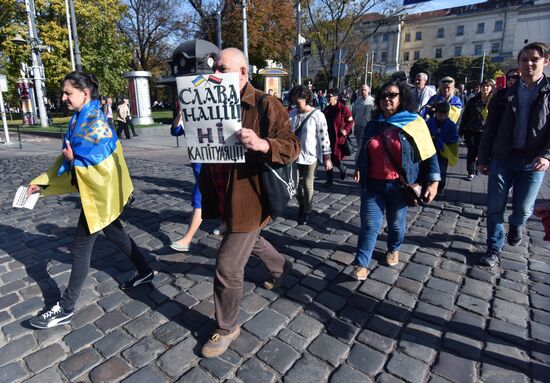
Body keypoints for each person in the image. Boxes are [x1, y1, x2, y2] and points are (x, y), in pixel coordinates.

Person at [26, 71, 153, 329]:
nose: (63, 97)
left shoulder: (94, 123)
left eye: (67, 93)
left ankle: (66, 307)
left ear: (85, 93)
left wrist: (73, 162)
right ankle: (145, 271)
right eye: (63, 92)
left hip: (99, 196)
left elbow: (98, 166)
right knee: (116, 233)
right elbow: (69, 159)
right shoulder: (79, 120)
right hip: (96, 194)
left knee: (80, 249)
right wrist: (42, 181)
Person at [198, 48, 300, 358]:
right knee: (250, 240)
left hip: (251, 196)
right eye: (215, 67)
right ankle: (281, 266)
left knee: (228, 266)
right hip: (222, 193)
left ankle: (227, 327)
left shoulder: (265, 103)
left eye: (223, 68)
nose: (216, 73)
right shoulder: (211, 100)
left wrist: (262, 143)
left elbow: (292, 145)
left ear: (243, 73)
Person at [352, 80, 440, 280]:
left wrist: (433, 182)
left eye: (392, 95)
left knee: (396, 224)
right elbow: (363, 148)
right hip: (372, 184)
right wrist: (358, 166)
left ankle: (393, 248)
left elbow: (429, 154)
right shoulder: (374, 124)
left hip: (399, 186)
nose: (387, 99)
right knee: (369, 225)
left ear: (402, 98)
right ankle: (361, 263)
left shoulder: (414, 122)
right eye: (383, 96)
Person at [477, 42, 550, 267]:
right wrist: (483, 158)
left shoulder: (548, 93)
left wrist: (547, 155)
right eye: (524, 60)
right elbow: (490, 128)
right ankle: (494, 247)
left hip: (532, 161)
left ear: (545, 62)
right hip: (502, 157)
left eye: (534, 60)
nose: (529, 64)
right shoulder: (504, 94)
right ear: (518, 64)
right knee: (495, 206)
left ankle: (517, 224)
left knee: (523, 208)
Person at [289, 85, 332, 225]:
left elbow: (324, 137)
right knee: (294, 185)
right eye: (294, 100)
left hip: (310, 155)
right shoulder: (292, 114)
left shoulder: (317, 115)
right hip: (294, 155)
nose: (296, 103)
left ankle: (306, 211)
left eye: (298, 100)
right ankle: (302, 204)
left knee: (307, 184)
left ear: (306, 98)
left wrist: (327, 158)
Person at [169, 112, 202, 252]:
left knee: (199, 198)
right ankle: (225, 222)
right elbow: (175, 130)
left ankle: (187, 239)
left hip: (214, 165)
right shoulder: (189, 117)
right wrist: (180, 115)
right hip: (198, 163)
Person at [459, 79, 493, 179]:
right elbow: (465, 116)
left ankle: (479, 167)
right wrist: (461, 130)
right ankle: (470, 171)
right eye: (483, 86)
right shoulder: (473, 100)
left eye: (488, 86)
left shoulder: (493, 101)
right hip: (472, 130)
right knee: (471, 151)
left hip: (486, 131)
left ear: (491, 88)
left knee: (481, 151)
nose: (485, 88)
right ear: (480, 88)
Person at [427, 102, 459, 196]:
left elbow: (454, 137)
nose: (442, 117)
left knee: (441, 170)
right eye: (439, 115)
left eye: (444, 115)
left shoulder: (450, 124)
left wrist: (441, 140)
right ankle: (429, 186)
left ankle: (440, 188)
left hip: (443, 152)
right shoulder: (430, 122)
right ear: (435, 113)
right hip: (431, 151)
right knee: (429, 169)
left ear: (448, 114)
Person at [323, 88, 353, 184]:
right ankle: (329, 180)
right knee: (327, 157)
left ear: (336, 97)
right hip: (327, 137)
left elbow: (350, 121)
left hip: (338, 138)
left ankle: (342, 168)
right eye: (327, 96)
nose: (328, 98)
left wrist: (346, 130)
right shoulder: (326, 110)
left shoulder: (343, 109)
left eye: (330, 96)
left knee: (335, 158)